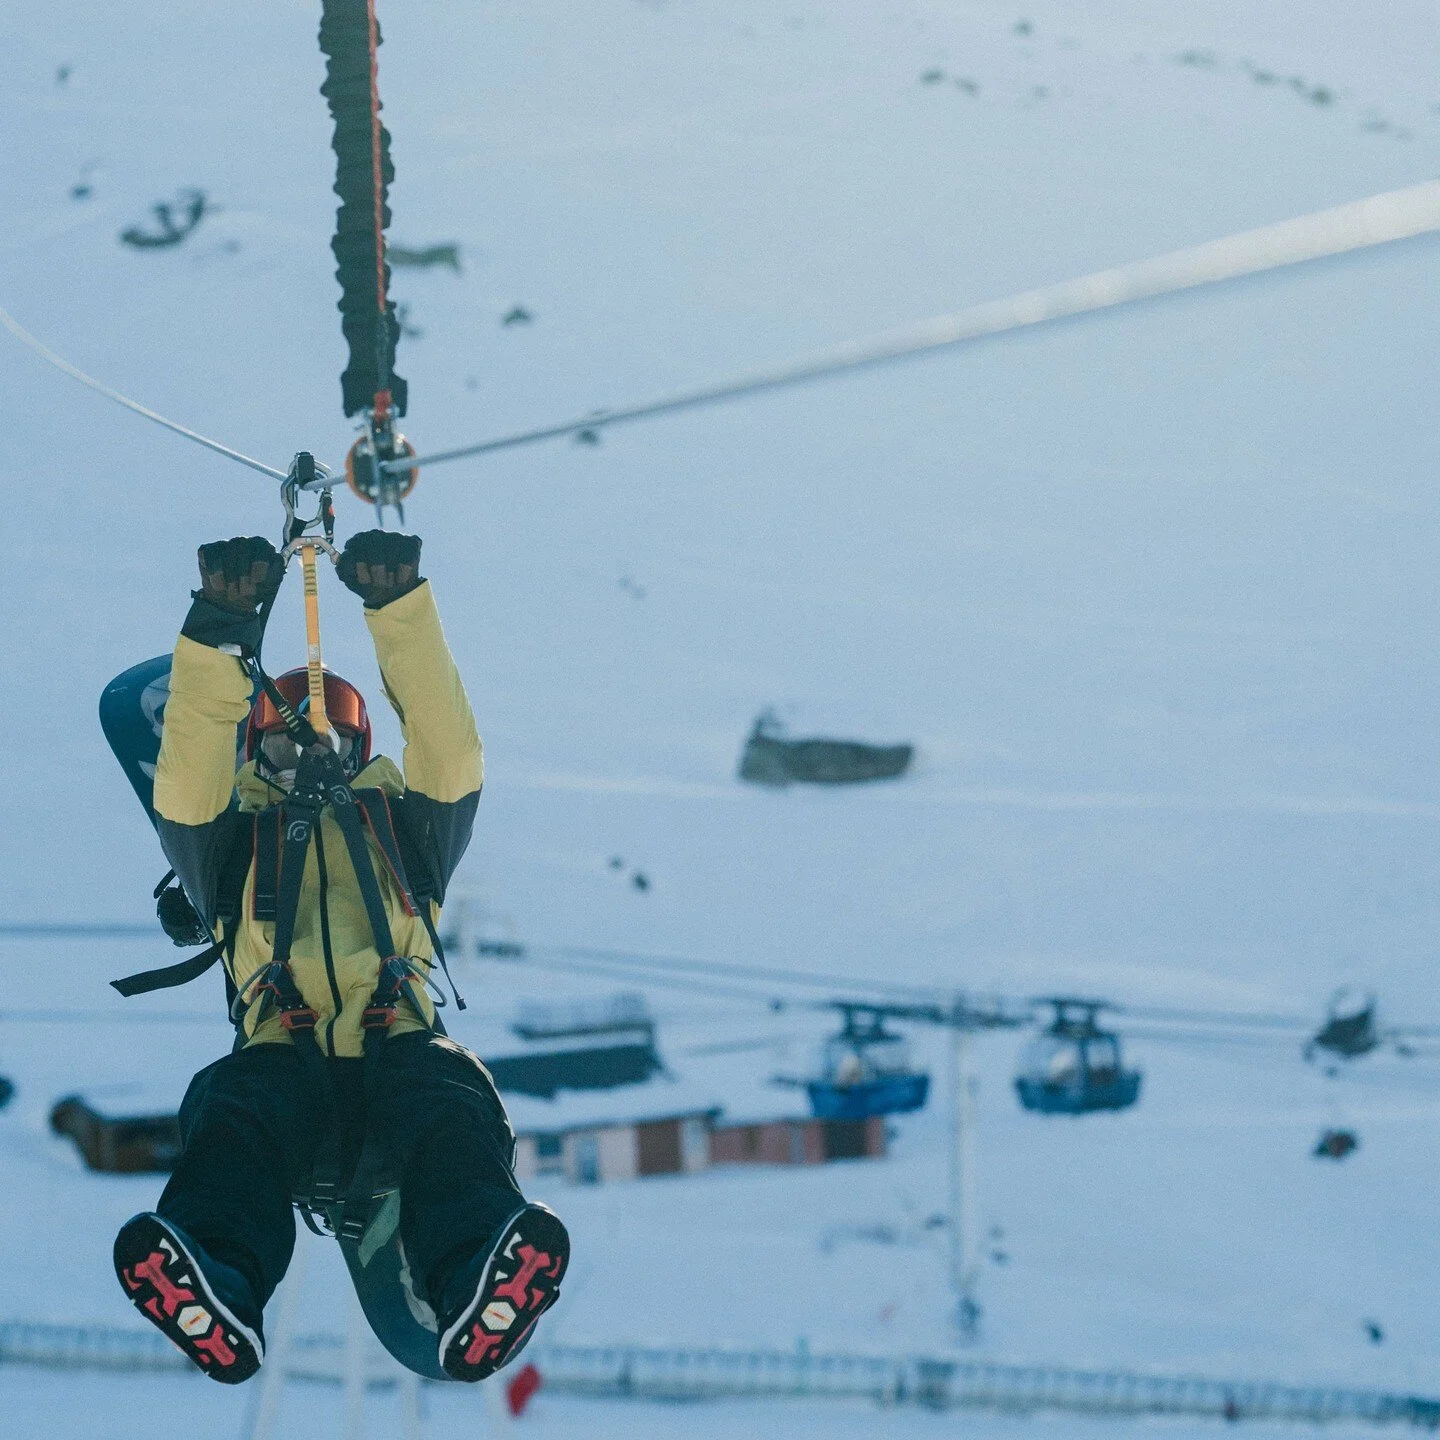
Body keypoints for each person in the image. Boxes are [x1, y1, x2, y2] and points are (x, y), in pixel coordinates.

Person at [112, 531, 569, 1384]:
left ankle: (476, 1274)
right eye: (284, 743)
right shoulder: (228, 841)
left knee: (446, 1095)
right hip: (286, 1076)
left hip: (396, 1054)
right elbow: (182, 786)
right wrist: (220, 629)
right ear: (256, 752)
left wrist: (398, 614)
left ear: (361, 751)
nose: (310, 754)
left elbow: (451, 754)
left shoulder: (406, 829)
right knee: (234, 1104)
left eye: (332, 737)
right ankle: (217, 1277)